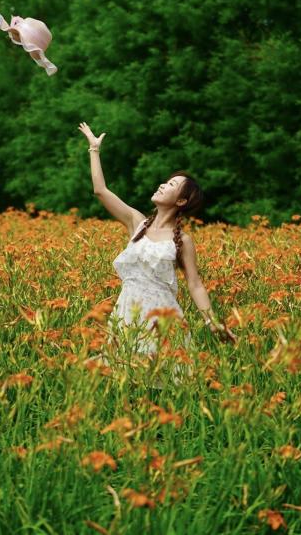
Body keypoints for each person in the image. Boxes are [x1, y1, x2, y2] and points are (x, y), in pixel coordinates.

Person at [78, 121, 236, 373]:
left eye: (171, 186)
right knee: (123, 380)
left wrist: (213, 322)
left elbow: (195, 285)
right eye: (166, 182)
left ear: (181, 201)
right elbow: (100, 190)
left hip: (163, 320)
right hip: (127, 314)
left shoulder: (183, 241)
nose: (163, 185)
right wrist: (94, 149)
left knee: (162, 385)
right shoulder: (136, 223)